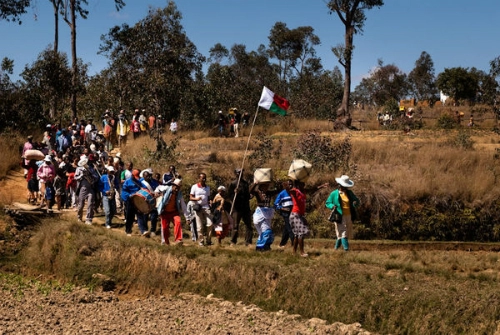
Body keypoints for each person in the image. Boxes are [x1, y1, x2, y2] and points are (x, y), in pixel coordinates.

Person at [325, 175, 360, 251]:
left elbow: (357, 201)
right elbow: (328, 203)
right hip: (339, 215)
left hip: (349, 215)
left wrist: (355, 203)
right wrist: (332, 206)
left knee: (344, 233)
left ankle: (336, 248)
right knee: (343, 231)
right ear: (340, 185)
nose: (345, 188)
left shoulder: (349, 193)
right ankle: (346, 249)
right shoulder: (334, 193)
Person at [156, 178, 189, 245]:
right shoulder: (166, 189)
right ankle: (165, 241)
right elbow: (158, 187)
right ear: (173, 186)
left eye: (178, 188)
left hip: (174, 212)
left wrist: (187, 217)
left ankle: (178, 239)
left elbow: (183, 206)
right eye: (176, 187)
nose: (177, 189)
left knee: (178, 222)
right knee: (165, 227)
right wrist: (156, 192)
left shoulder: (179, 194)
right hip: (165, 211)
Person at [250, 181, 278, 251]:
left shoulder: (269, 193)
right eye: (265, 186)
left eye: (267, 186)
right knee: (265, 232)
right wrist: (255, 183)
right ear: (261, 187)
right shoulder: (257, 193)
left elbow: (277, 191)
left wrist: (280, 185)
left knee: (265, 232)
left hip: (267, 213)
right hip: (260, 213)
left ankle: (262, 247)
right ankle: (263, 246)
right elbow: (250, 191)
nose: (266, 187)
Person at [227, 169, 253, 246]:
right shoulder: (233, 184)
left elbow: (247, 195)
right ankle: (233, 241)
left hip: (245, 207)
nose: (240, 174)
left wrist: (247, 195)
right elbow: (229, 196)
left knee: (248, 225)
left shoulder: (245, 184)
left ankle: (248, 242)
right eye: (239, 173)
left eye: (241, 173)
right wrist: (235, 193)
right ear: (236, 174)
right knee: (235, 226)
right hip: (237, 208)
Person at [190, 173, 213, 246]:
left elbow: (208, 197)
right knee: (199, 227)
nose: (204, 179)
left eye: (205, 178)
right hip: (198, 207)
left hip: (206, 207)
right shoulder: (194, 187)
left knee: (210, 224)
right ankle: (201, 241)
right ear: (199, 178)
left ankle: (209, 240)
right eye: (202, 178)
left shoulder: (207, 188)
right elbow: (191, 197)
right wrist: (196, 198)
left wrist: (210, 201)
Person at [121, 169, 143, 236]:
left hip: (137, 200)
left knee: (140, 215)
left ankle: (143, 230)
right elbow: (124, 191)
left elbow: (142, 188)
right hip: (129, 200)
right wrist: (129, 195)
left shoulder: (139, 182)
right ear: (132, 175)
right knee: (130, 216)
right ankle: (128, 230)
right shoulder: (127, 182)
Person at [74, 157, 96, 225]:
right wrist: (82, 175)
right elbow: (75, 177)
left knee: (90, 204)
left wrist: (91, 175)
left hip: (90, 188)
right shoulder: (78, 169)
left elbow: (96, 177)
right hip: (82, 188)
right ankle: (79, 217)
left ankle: (88, 219)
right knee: (81, 205)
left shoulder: (90, 168)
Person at [274, 180, 294, 248]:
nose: (290, 186)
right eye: (289, 184)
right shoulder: (282, 194)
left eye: (291, 184)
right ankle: (294, 243)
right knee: (290, 228)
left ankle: (282, 244)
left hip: (292, 212)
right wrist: (283, 208)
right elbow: (276, 204)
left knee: (287, 228)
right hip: (285, 213)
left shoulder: (293, 193)